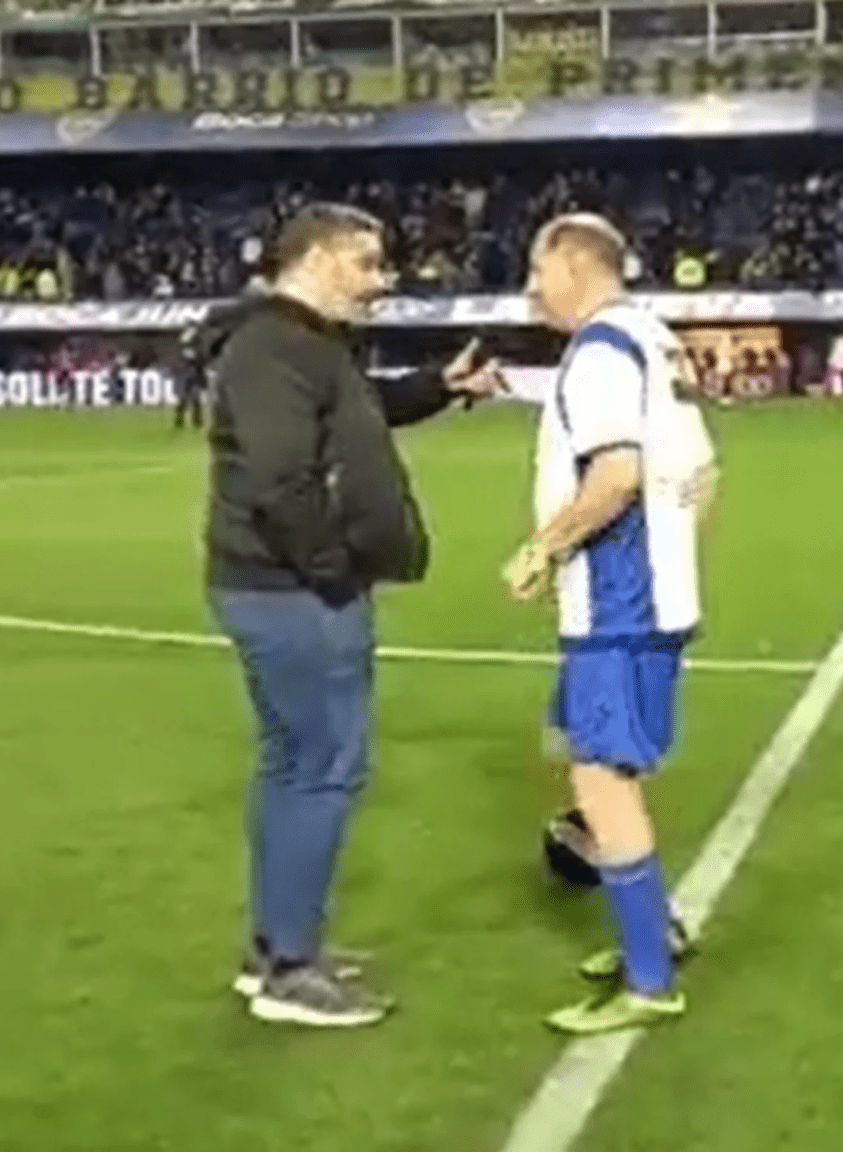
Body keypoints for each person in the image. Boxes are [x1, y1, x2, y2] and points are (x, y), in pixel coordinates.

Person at [203, 203, 503, 1028]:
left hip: (285, 586)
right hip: (292, 592)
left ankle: (275, 945)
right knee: (324, 767)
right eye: (367, 264)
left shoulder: (304, 345)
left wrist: (439, 386)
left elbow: (357, 411)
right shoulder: (273, 348)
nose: (383, 281)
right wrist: (335, 572)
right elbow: (280, 481)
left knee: (292, 765)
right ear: (318, 259)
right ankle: (291, 972)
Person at [503, 213, 718, 1035]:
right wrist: (673, 557)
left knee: (601, 780)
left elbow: (616, 476)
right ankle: (655, 933)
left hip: (618, 603)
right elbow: (704, 474)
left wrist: (542, 548)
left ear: (572, 264)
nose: (532, 291)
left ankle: (649, 982)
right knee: (601, 764)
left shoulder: (599, 351)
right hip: (654, 596)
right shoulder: (654, 339)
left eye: (537, 273)